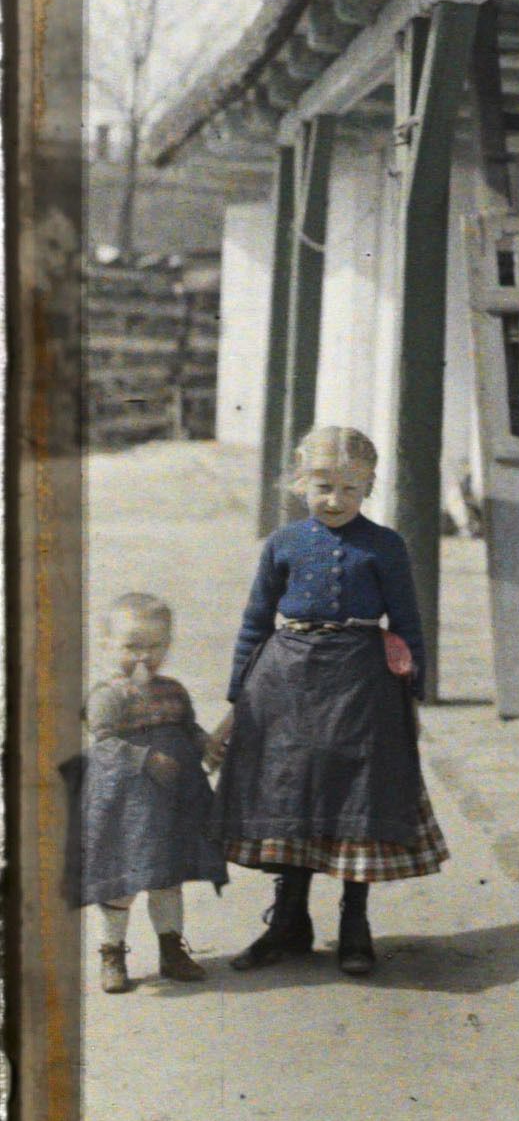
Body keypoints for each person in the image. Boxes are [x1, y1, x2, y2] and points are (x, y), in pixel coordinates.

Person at [210, 425, 447, 976]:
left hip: (363, 686)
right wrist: (238, 698)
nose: (334, 500)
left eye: (349, 488)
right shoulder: (283, 544)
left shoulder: (386, 545)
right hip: (285, 681)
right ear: (298, 483)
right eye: (322, 487)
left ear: (368, 486)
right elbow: (254, 622)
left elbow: (409, 624)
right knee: (291, 794)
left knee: (355, 797)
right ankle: (288, 923)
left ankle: (354, 924)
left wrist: (412, 696)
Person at [65, 592, 226, 994]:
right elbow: (104, 743)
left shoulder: (173, 690)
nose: (144, 656)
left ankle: (172, 950)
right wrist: (145, 759)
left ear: (168, 646)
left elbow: (188, 726)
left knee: (166, 879)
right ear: (108, 645)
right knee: (122, 883)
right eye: (132, 646)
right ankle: (112, 952)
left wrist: (206, 742)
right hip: (125, 807)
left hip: (171, 803)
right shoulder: (108, 696)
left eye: (155, 646)